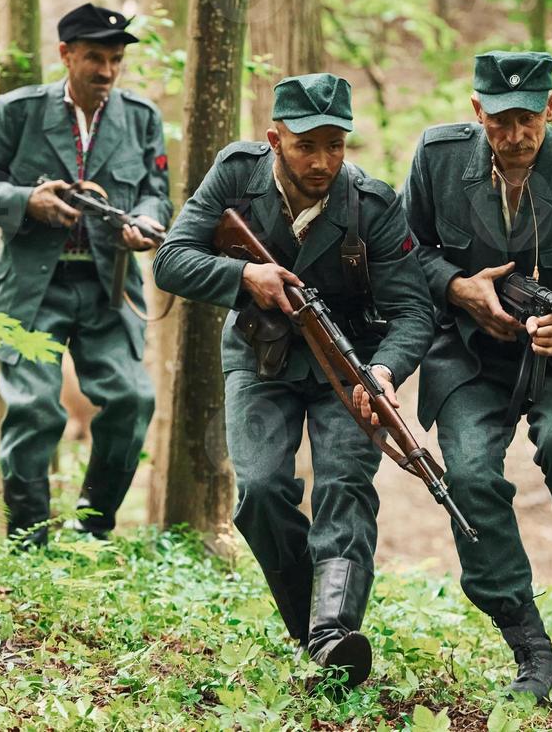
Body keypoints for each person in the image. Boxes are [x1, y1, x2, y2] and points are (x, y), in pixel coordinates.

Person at [152, 73, 433, 688]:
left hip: (349, 364)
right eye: (308, 145)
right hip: (261, 359)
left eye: (336, 144)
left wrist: (384, 371)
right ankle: (314, 629)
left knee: (344, 485)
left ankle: (334, 635)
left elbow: (414, 311)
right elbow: (170, 259)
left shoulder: (375, 206)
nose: (323, 160)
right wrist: (244, 277)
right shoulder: (235, 175)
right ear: (275, 139)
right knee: (259, 489)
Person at [401, 51, 552, 700]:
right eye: (500, 120)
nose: (514, 135)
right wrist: (458, 287)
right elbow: (404, 252)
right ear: (477, 111)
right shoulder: (437, 159)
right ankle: (529, 648)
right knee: (470, 477)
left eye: (528, 119)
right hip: (471, 353)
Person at [0, 3, 170, 547]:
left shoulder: (140, 117)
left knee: (132, 399)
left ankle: (94, 529)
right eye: (95, 58)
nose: (107, 72)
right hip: (31, 288)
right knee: (34, 408)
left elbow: (155, 192)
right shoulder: (18, 112)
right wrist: (27, 201)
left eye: (115, 60)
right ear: (65, 55)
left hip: (107, 287)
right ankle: (29, 544)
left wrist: (145, 221)